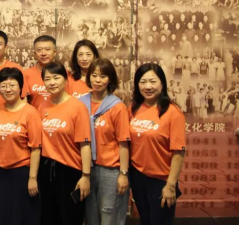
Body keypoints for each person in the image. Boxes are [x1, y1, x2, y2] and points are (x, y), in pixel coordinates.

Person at [130, 64, 186, 226]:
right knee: (145, 220)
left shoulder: (173, 112)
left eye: (153, 81)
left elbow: (178, 152)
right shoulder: (134, 108)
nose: (148, 86)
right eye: (143, 82)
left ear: (162, 84)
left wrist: (170, 186)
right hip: (138, 176)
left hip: (161, 180)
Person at [0, 68, 41, 225]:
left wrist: (32, 178)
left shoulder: (30, 113)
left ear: (21, 87)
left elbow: (35, 148)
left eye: (12, 85)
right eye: (3, 86)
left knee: (20, 217)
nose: (8, 89)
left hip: (21, 172)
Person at [39, 63, 92, 225]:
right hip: (46, 169)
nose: (52, 82)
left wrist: (85, 176)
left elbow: (85, 145)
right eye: (47, 79)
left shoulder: (77, 107)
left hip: (70, 171)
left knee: (70, 217)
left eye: (56, 78)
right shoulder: (42, 107)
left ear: (66, 80)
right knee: (48, 218)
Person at [80, 59, 130, 225]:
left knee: (109, 214)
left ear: (110, 79)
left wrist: (123, 174)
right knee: (91, 214)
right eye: (94, 75)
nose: (97, 80)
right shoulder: (80, 104)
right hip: (87, 169)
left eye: (103, 76)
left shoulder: (117, 107)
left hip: (110, 170)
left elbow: (123, 143)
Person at [24, 36, 76, 110]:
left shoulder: (66, 74)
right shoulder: (26, 74)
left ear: (55, 52)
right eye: (39, 50)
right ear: (35, 54)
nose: (43, 53)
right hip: (35, 116)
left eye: (47, 49)